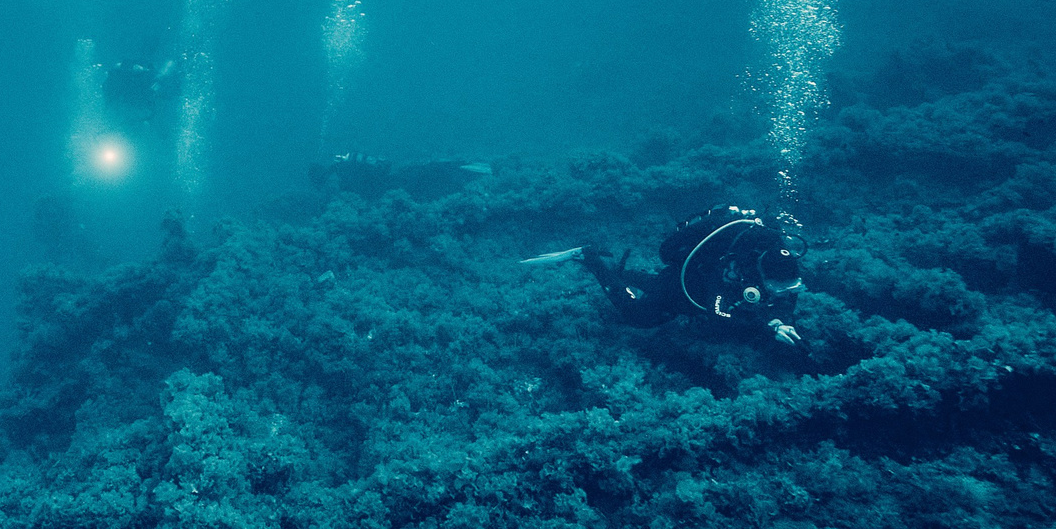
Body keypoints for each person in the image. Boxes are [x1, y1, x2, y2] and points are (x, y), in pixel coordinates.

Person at [526, 204, 805, 348]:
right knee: (639, 317)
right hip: (683, 288)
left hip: (690, 282)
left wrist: (781, 321)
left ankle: (619, 271)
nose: (782, 294)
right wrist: (768, 327)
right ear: (761, 273)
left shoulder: (776, 262)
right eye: (779, 289)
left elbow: (785, 299)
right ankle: (589, 257)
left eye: (790, 289)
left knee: (656, 284)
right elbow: (718, 312)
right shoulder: (731, 268)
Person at [310, 154, 494, 201]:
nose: (327, 187)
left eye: (323, 182)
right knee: (426, 175)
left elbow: (367, 186)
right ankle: (466, 168)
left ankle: (469, 167)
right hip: (391, 184)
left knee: (427, 175)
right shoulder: (342, 171)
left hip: (391, 185)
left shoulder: (343, 172)